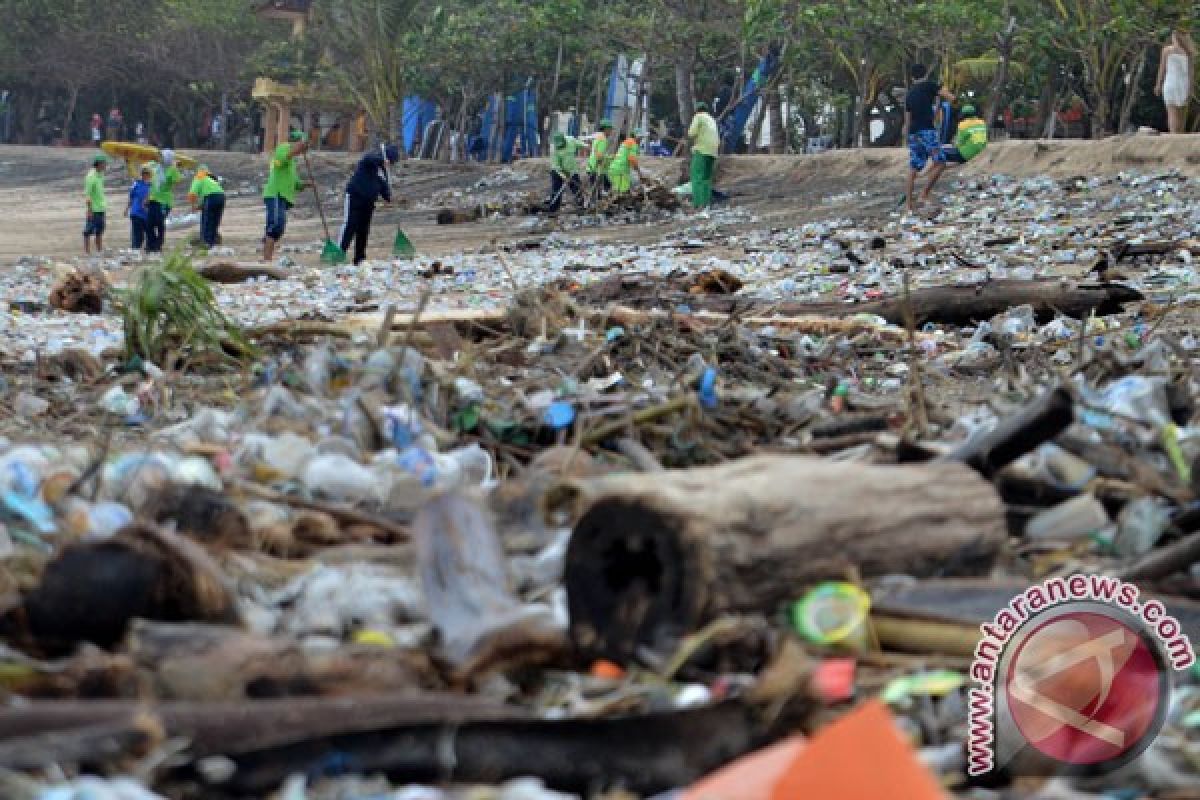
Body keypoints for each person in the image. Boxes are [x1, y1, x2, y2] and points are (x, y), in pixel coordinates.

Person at [903, 64, 956, 213]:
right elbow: (949, 97)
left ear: (912, 77)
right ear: (925, 74)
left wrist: (908, 136)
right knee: (940, 162)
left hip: (914, 133)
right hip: (927, 131)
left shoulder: (909, 94)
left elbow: (907, 119)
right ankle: (924, 194)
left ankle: (908, 206)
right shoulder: (929, 85)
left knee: (913, 168)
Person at [338, 144, 398, 266]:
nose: (390, 164)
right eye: (391, 161)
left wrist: (388, 197)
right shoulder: (371, 160)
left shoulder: (383, 172)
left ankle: (359, 258)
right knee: (350, 225)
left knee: (363, 230)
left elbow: (383, 186)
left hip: (369, 202)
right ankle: (339, 254)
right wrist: (382, 160)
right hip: (355, 197)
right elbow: (368, 158)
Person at [263, 130, 310, 263]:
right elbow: (280, 161)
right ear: (296, 142)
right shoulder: (282, 149)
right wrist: (294, 151)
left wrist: (305, 184)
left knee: (279, 226)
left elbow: (294, 182)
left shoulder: (293, 161)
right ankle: (266, 259)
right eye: (303, 146)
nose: (303, 150)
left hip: (283, 196)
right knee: (276, 224)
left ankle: (267, 254)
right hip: (275, 194)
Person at [1157, 30, 1195, 134]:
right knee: (1182, 116)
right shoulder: (1189, 53)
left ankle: (1173, 137)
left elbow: (1162, 70)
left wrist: (1158, 85)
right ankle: (1180, 136)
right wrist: (1190, 90)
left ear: (1175, 37)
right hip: (1184, 85)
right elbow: (1191, 74)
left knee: (1172, 113)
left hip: (1171, 83)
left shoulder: (1167, 50)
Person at [145, 149, 182, 253]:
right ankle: (150, 244)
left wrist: (175, 167)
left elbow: (178, 181)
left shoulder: (171, 169)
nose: (159, 158)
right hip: (153, 200)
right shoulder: (156, 168)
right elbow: (151, 184)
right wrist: (147, 198)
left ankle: (158, 245)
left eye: (161, 156)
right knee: (148, 224)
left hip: (164, 202)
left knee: (159, 223)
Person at [687, 101, 719, 209]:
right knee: (706, 178)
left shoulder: (698, 116)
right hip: (713, 151)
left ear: (697, 110)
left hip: (702, 150)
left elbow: (691, 133)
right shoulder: (711, 119)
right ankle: (706, 203)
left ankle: (698, 204)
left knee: (697, 177)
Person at [188, 166, 226, 249]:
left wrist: (193, 207)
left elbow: (192, 193)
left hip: (211, 197)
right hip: (222, 197)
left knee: (207, 221)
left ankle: (206, 243)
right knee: (215, 221)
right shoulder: (211, 179)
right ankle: (212, 242)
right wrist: (200, 207)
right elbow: (206, 197)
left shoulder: (199, 177)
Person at [548, 132, 586, 211]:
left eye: (562, 144)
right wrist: (564, 176)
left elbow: (580, 144)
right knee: (556, 190)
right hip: (558, 171)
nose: (561, 146)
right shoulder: (554, 149)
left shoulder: (571, 140)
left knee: (577, 189)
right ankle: (553, 209)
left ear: (564, 140)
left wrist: (587, 146)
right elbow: (556, 166)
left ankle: (580, 207)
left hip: (572, 170)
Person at [608, 130, 647, 195]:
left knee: (620, 191)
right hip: (620, 171)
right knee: (623, 193)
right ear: (637, 137)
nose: (641, 140)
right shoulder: (633, 144)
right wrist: (639, 173)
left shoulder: (626, 142)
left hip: (614, 169)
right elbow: (632, 160)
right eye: (641, 138)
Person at [83, 154, 107, 255]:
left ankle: (99, 250)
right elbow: (87, 196)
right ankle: (87, 252)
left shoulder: (100, 174)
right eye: (104, 164)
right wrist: (89, 210)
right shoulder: (91, 177)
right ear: (99, 164)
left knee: (100, 230)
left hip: (101, 208)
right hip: (94, 209)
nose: (105, 166)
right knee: (88, 231)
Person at [125, 165, 152, 251]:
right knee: (137, 235)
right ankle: (134, 250)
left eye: (148, 174)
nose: (146, 176)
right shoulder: (136, 184)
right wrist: (127, 209)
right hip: (136, 213)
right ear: (143, 174)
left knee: (142, 235)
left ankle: (138, 249)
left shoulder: (150, 186)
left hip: (145, 214)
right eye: (145, 174)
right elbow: (131, 197)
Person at [585, 119, 615, 199]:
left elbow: (597, 152)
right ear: (606, 129)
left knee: (596, 189)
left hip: (592, 166)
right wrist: (606, 160)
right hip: (596, 168)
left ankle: (596, 203)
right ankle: (596, 204)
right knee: (602, 187)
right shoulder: (603, 139)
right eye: (610, 129)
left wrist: (608, 157)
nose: (611, 132)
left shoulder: (598, 137)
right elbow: (599, 155)